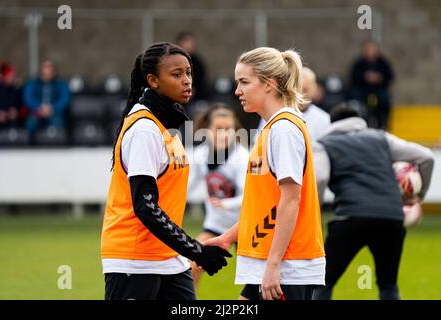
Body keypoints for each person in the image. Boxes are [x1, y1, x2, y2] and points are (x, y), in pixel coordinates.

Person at [101, 42, 231, 300]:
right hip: (134, 260)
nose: (186, 81)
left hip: (169, 259)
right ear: (153, 80)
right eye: (176, 74)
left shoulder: (166, 127)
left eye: (189, 73)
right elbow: (144, 205)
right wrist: (196, 249)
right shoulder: (145, 129)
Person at [205, 47, 326, 300]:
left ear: (269, 84)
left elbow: (291, 199)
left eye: (244, 82)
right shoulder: (270, 128)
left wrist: (273, 265)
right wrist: (228, 237)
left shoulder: (284, 129)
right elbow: (265, 206)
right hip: (268, 259)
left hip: (285, 266)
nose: (237, 90)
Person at [312, 102, 434, 300]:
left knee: (323, 282)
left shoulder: (324, 144)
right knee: (388, 285)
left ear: (333, 123)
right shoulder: (381, 138)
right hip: (391, 218)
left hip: (352, 217)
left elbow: (320, 178)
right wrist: (417, 197)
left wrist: (312, 211)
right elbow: (427, 157)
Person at [188, 102, 250, 291]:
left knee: (256, 279)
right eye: (218, 129)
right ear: (207, 130)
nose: (223, 134)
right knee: (191, 266)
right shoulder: (201, 155)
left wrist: (226, 203)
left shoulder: (242, 157)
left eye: (228, 129)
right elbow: (186, 186)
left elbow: (249, 197)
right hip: (215, 225)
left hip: (244, 225)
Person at [255, 67, 330, 145]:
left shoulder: (323, 119)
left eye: (305, 90)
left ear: (314, 89)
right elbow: (259, 143)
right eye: (297, 89)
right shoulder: (273, 114)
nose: (301, 94)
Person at [350, 40, 394, 130]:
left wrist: (379, 78)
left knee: (385, 99)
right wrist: (365, 78)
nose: (369, 51)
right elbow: (353, 78)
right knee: (357, 101)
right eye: (367, 49)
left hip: (379, 89)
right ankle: (361, 125)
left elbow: (390, 77)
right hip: (363, 89)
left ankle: (383, 125)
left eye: (372, 49)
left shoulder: (383, 63)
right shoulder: (359, 63)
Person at [23, 59, 70, 136]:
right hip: (36, 112)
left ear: (54, 73)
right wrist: (39, 107)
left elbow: (65, 99)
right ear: (40, 72)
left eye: (49, 73)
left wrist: (52, 108)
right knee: (31, 123)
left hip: (55, 112)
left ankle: (56, 145)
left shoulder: (61, 83)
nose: (46, 76)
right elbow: (28, 98)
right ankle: (31, 146)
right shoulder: (32, 83)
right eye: (44, 73)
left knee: (58, 122)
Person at [0, 61, 25, 143]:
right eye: (10, 75)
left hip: (15, 120)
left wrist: (16, 113)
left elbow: (24, 108)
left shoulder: (18, 91)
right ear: (3, 76)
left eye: (13, 75)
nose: (12, 77)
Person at [176, 32, 208, 102]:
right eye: (187, 41)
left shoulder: (198, 62)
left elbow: (202, 82)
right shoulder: (173, 61)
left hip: (195, 98)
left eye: (192, 42)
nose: (191, 44)